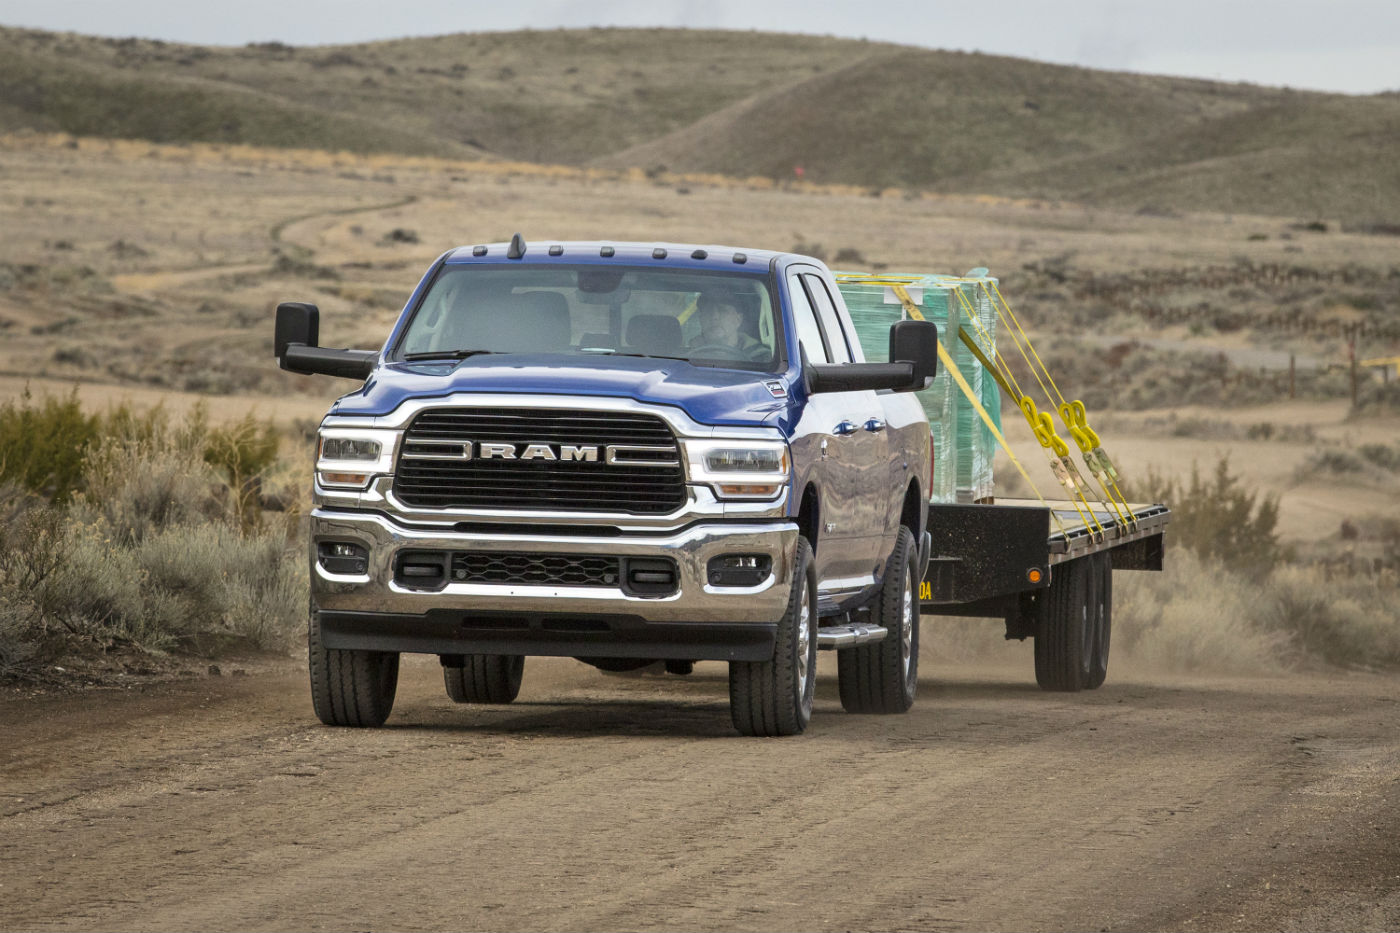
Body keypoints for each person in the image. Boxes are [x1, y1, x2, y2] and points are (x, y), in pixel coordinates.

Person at [691, 294, 769, 360]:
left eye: (723, 310)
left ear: (738, 320)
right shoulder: (685, 357)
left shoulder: (761, 358)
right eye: (708, 310)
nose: (714, 317)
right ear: (701, 320)